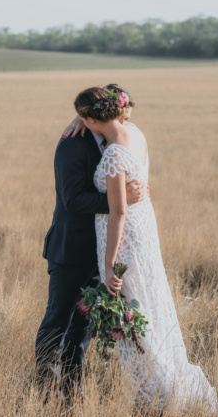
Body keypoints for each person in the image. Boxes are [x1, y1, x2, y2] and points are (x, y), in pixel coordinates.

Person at [73, 85, 218, 417]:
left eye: (84, 118)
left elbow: (118, 212)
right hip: (145, 233)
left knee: (134, 312)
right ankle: (166, 385)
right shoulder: (136, 132)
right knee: (150, 307)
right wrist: (81, 115)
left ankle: (160, 396)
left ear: (90, 117)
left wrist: (110, 263)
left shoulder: (114, 153)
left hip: (126, 239)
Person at [38, 84, 146, 398]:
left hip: (102, 252)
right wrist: (121, 199)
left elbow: (115, 96)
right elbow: (72, 200)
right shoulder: (71, 143)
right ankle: (45, 391)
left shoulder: (120, 135)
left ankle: (71, 390)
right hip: (71, 250)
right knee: (58, 321)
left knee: (83, 328)